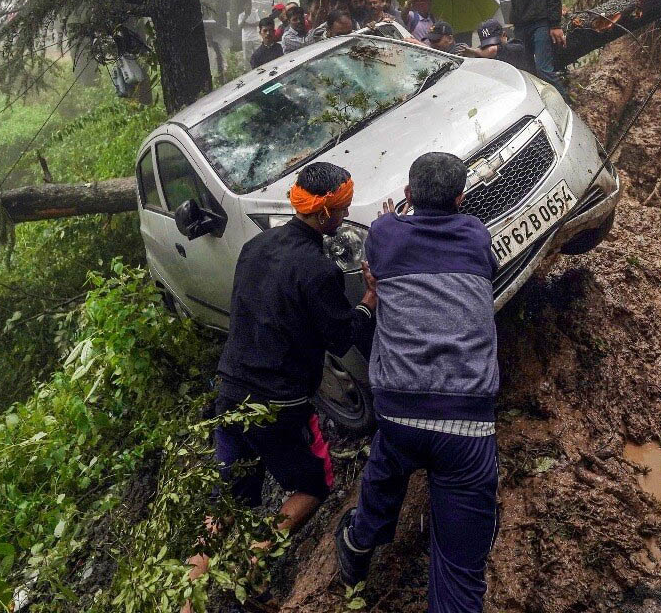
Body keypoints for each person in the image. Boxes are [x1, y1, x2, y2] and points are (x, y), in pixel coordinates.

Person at [185, 162, 377, 604]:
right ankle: (252, 570)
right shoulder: (317, 270)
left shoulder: (255, 247)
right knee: (314, 484)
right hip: (278, 405)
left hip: (231, 391)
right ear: (326, 214)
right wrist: (368, 300)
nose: (346, 216)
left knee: (228, 500)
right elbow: (340, 336)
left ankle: (186, 598)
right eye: (344, 209)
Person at [335, 153, 499, 613]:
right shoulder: (476, 234)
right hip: (467, 426)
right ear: (461, 199)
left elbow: (386, 242)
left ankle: (360, 540)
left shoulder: (385, 233)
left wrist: (393, 221)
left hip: (398, 409)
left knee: (388, 463)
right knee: (460, 572)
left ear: (408, 196)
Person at [464, 18, 533, 72]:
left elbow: (493, 50)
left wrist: (474, 52)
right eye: (487, 45)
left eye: (494, 43)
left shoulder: (516, 46)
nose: (489, 47)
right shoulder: (482, 50)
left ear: (504, 35)